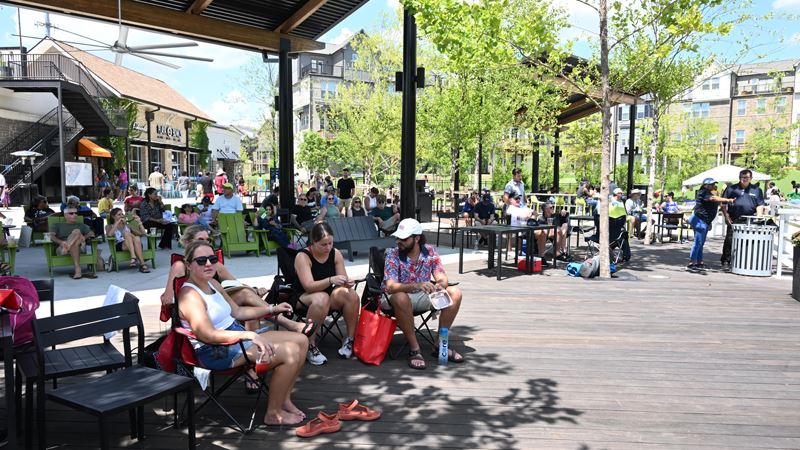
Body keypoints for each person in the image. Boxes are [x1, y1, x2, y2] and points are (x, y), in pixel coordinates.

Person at [177, 240, 308, 425]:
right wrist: (248, 335)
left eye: (212, 259)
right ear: (188, 264)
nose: (208, 264)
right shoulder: (189, 295)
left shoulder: (213, 282)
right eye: (201, 260)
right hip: (216, 350)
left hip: (236, 338)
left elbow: (238, 312)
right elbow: (206, 334)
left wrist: (271, 309)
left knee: (301, 340)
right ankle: (273, 413)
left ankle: (284, 399)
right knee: (290, 352)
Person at [383, 218, 464, 370]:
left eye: (404, 238)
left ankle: (440, 345)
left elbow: (441, 276)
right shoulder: (392, 254)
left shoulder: (430, 251)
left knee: (455, 293)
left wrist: (440, 285)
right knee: (400, 297)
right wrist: (417, 285)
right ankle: (415, 350)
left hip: (423, 295)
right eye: (398, 238)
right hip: (395, 297)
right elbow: (391, 287)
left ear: (417, 238)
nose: (399, 241)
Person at [294, 223, 360, 365]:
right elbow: (309, 286)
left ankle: (350, 339)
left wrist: (346, 282)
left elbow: (342, 279)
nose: (328, 247)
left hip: (329, 296)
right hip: (304, 296)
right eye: (323, 245)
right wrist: (331, 280)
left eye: (330, 243)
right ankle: (309, 345)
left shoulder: (335, 253)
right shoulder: (303, 256)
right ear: (313, 242)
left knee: (351, 295)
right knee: (321, 297)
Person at [720, 169, 767, 270]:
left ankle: (742, 261)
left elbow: (760, 204)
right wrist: (726, 216)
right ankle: (726, 261)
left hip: (749, 219)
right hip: (734, 217)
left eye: (747, 177)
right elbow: (723, 203)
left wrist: (759, 217)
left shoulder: (756, 190)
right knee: (730, 239)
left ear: (751, 178)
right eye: (742, 177)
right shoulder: (731, 188)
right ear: (739, 178)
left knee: (747, 241)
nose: (744, 179)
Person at [689, 178, 734, 271]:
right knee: (698, 242)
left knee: (701, 242)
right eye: (712, 184)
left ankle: (699, 262)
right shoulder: (703, 192)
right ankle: (692, 263)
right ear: (706, 185)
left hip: (703, 221)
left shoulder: (708, 192)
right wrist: (728, 200)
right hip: (699, 220)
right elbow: (713, 199)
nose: (714, 186)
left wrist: (708, 222)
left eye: (714, 184)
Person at [49, 206, 97, 279]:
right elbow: (51, 236)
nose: (75, 215)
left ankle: (68, 247)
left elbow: (91, 233)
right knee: (76, 240)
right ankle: (78, 270)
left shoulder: (81, 225)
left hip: (77, 248)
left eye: (76, 213)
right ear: (65, 215)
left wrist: (84, 237)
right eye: (71, 213)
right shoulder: (57, 225)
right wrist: (61, 242)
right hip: (61, 248)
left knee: (76, 231)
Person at [506, 192, 548, 264]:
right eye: (516, 199)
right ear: (510, 200)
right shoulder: (511, 209)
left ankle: (541, 256)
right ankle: (522, 254)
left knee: (543, 232)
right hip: (518, 230)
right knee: (541, 232)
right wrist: (529, 215)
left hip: (528, 229)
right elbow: (522, 216)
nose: (518, 200)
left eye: (519, 198)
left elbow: (536, 213)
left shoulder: (522, 207)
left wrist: (531, 216)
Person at [105, 207, 150, 273]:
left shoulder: (127, 225)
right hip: (120, 245)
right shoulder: (109, 226)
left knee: (136, 237)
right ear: (113, 216)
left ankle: (134, 258)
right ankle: (141, 263)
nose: (121, 216)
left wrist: (139, 222)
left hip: (134, 244)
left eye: (122, 214)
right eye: (119, 215)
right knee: (127, 233)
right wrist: (117, 223)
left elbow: (142, 233)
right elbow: (109, 235)